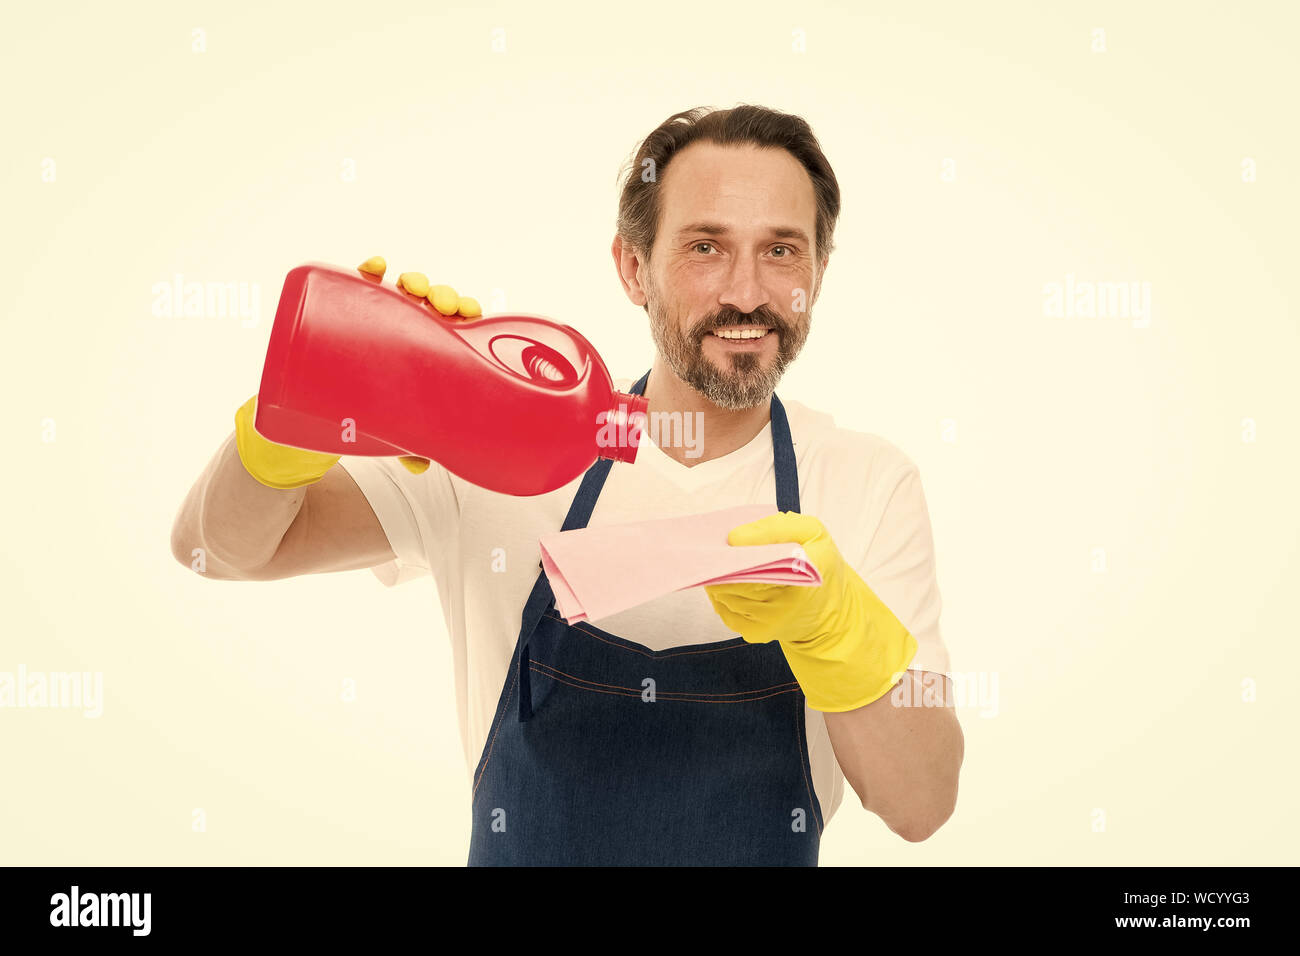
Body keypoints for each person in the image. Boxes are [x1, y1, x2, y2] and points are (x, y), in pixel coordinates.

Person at [171, 104, 964, 866]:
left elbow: (921, 805)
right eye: (705, 247)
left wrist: (839, 632)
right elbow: (218, 551)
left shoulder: (865, 481)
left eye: (783, 250)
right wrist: (307, 412)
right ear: (633, 268)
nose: (747, 293)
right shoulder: (506, 443)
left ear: (819, 272)